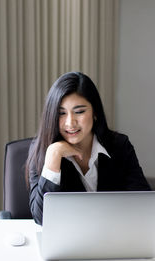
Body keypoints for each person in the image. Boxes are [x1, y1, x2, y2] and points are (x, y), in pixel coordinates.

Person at [26, 72, 151, 225]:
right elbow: (41, 218)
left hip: (114, 236)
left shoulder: (120, 145)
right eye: (61, 114)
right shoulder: (43, 150)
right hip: (70, 242)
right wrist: (54, 155)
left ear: (95, 112)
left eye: (79, 111)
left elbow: (143, 203)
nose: (70, 123)